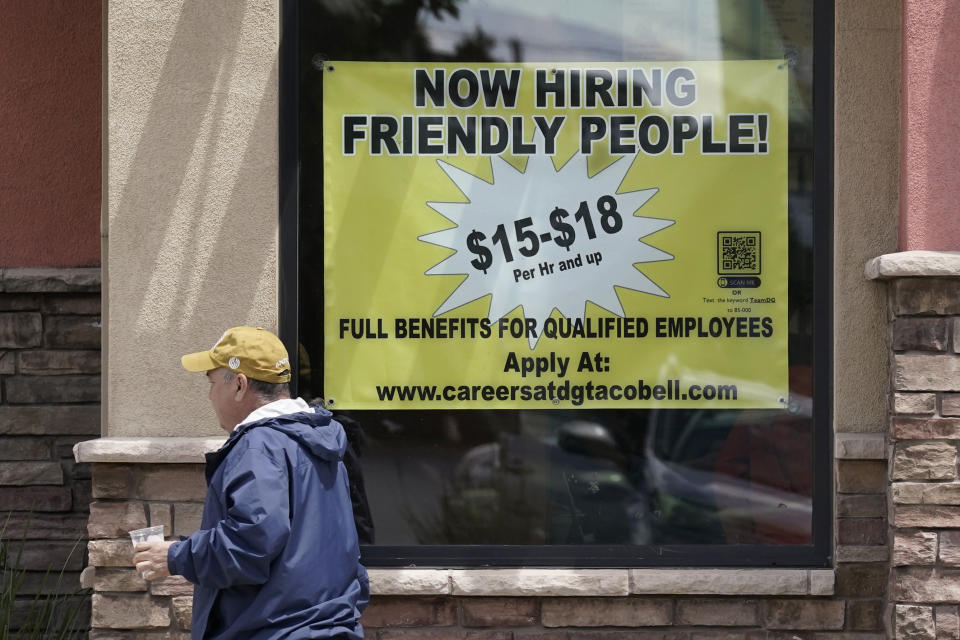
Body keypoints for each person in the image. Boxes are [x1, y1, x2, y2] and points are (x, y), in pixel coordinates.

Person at [132, 326, 369, 639]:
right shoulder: (320, 440)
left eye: (213, 382)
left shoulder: (259, 446)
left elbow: (250, 545)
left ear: (239, 385)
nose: (209, 395)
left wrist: (176, 556)